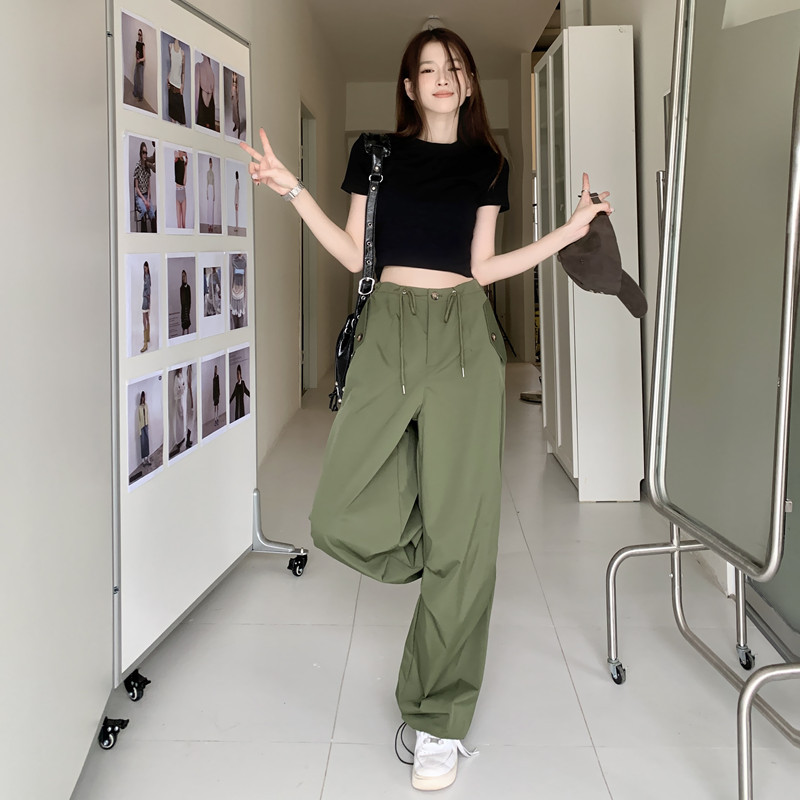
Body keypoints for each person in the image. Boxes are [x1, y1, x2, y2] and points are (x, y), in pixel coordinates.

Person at [242, 27, 612, 793]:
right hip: (388, 335)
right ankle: (441, 560)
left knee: (467, 537)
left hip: (464, 340)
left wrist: (567, 234)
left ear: (469, 84)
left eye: (455, 67)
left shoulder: (488, 165)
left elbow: (484, 265)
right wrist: (293, 191)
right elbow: (356, 254)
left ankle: (438, 718)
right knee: (337, 513)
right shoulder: (376, 154)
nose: (443, 77)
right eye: (428, 68)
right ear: (409, 87)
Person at [133, 141, 156, 231]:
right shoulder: (137, 166)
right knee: (143, 210)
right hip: (140, 196)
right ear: (140, 153)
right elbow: (136, 187)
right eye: (143, 152)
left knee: (152, 213)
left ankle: (155, 235)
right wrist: (144, 200)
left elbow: (149, 185)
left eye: (146, 152)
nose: (145, 155)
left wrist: (148, 199)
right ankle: (144, 234)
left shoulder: (147, 167)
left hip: (147, 195)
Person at [167, 37, 185, 125]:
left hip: (178, 86)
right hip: (170, 83)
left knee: (181, 119)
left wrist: (182, 85)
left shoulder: (182, 53)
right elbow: (172, 65)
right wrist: (168, 77)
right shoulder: (170, 46)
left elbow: (183, 72)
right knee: (172, 116)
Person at [195, 54, 216, 129]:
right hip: (208, 105)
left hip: (203, 104)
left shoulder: (199, 66)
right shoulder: (212, 73)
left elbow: (196, 90)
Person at [172, 367, 187, 452]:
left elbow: (183, 386)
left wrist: (181, 387)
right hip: (178, 399)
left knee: (182, 418)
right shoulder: (176, 378)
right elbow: (176, 389)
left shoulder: (181, 376)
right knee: (178, 419)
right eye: (180, 368)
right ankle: (178, 440)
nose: (181, 369)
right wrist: (181, 388)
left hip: (181, 398)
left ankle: (182, 437)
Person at [174, 150, 188, 228]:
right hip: (177, 193)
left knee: (183, 224)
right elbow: (178, 154)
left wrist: (186, 167)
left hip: (183, 192)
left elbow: (184, 182)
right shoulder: (176, 155)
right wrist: (185, 154)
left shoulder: (183, 161)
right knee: (178, 225)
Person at [137, 391, 150, 466]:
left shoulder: (146, 405)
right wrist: (139, 431)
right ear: (141, 398)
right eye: (142, 397)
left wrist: (148, 425)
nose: (143, 398)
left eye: (144, 397)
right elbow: (138, 420)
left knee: (147, 442)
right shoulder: (139, 408)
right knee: (142, 443)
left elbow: (147, 415)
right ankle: (143, 461)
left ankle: (148, 458)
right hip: (141, 426)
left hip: (146, 425)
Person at [140, 260, 151, 352]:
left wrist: (146, 295)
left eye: (146, 268)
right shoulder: (147, 276)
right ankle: (147, 338)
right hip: (146, 299)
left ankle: (145, 344)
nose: (145, 270)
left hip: (145, 299)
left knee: (144, 318)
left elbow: (148, 289)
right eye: (144, 268)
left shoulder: (147, 276)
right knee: (146, 317)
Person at [133, 29, 145, 101]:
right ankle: (135, 93)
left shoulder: (143, 45)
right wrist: (136, 58)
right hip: (137, 63)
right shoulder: (137, 43)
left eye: (140, 34)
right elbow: (136, 52)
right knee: (135, 78)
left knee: (140, 81)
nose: (139, 35)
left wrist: (139, 60)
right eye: (138, 34)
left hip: (141, 65)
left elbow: (144, 58)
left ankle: (140, 97)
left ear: (142, 35)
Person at [179, 269, 191, 335]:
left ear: (186, 276)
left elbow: (190, 299)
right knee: (183, 325)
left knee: (188, 324)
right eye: (182, 276)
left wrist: (189, 309)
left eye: (184, 276)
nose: (183, 277)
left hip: (187, 308)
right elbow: (181, 300)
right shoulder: (181, 288)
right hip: (183, 309)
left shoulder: (188, 287)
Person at [230, 71, 241, 138]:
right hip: (233, 97)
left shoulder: (236, 81)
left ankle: (239, 128)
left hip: (236, 97)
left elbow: (237, 90)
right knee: (233, 112)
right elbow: (232, 88)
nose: (234, 76)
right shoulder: (232, 78)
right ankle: (235, 124)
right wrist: (231, 95)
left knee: (237, 112)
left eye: (235, 75)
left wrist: (237, 99)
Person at [206, 157, 215, 231]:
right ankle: (209, 224)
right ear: (209, 164)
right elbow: (207, 183)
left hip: (212, 188)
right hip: (209, 188)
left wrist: (214, 194)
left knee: (212, 207)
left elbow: (214, 184)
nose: (211, 164)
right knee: (209, 206)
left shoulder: (213, 173)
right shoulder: (208, 172)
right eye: (210, 163)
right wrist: (207, 193)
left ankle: (211, 224)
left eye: (211, 163)